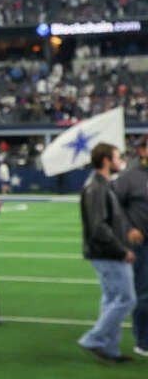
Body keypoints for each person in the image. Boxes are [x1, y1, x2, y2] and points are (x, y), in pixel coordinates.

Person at [78, 143, 136, 364]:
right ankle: (94, 339)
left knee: (113, 299)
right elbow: (99, 227)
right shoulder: (97, 187)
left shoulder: (103, 185)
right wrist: (122, 251)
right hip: (107, 253)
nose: (120, 160)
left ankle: (110, 349)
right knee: (126, 299)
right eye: (117, 156)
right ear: (106, 160)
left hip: (108, 252)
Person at [112, 136, 148, 357]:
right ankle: (143, 341)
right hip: (141, 244)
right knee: (144, 293)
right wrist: (128, 228)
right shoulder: (130, 176)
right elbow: (114, 206)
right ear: (142, 151)